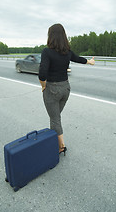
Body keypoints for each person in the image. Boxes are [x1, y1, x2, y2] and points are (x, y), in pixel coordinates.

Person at [39, 24, 95, 155]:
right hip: (66, 88)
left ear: (50, 36)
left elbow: (42, 74)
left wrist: (43, 86)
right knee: (56, 117)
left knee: (55, 120)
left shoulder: (46, 52)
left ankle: (61, 146)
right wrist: (90, 62)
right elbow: (79, 59)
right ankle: (56, 140)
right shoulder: (67, 52)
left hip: (52, 89)